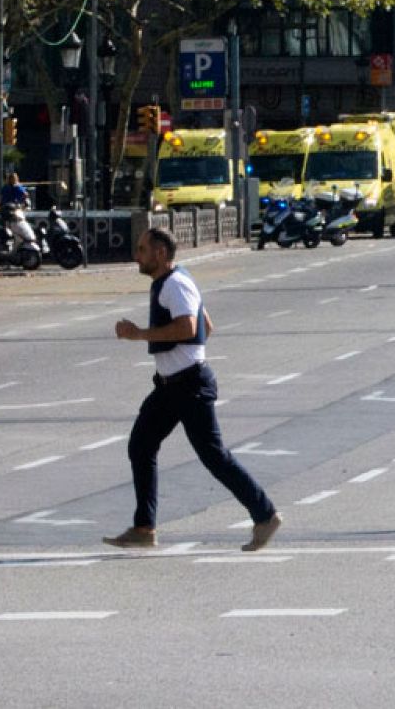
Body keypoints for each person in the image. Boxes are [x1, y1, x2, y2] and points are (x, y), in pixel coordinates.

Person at [104, 228, 282, 551]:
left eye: (142, 249)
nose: (137, 256)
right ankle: (144, 528)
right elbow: (206, 326)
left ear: (160, 254)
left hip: (189, 386)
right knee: (141, 445)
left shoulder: (175, 284)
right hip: (171, 386)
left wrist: (140, 334)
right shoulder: (171, 282)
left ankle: (265, 514)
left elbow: (189, 327)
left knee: (213, 457)